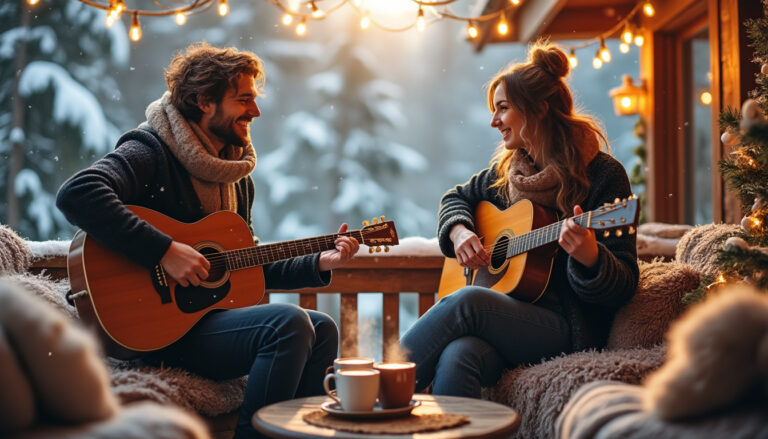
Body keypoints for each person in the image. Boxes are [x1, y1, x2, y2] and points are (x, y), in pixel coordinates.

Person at [56, 42, 359, 438]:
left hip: (203, 323)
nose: (256, 112)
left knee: (322, 330)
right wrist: (163, 250)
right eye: (243, 100)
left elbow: (242, 264)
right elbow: (78, 193)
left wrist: (319, 262)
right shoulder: (151, 150)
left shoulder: (235, 174)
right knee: (287, 323)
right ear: (204, 101)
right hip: (149, 331)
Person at [400, 41, 639, 398]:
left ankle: (376, 391)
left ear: (538, 109)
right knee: (458, 354)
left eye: (503, 108)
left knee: (467, 302)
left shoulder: (603, 175)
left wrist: (591, 258)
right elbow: (455, 197)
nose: (493, 121)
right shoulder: (510, 173)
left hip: (566, 328)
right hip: (507, 323)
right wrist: (461, 230)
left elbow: (625, 282)